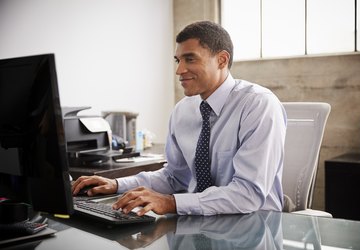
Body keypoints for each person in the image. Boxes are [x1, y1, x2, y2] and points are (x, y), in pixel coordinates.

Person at [72, 20, 287, 216]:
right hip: (198, 223)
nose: (179, 70)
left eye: (190, 59)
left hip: (253, 225)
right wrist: (117, 184)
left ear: (222, 60)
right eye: (178, 60)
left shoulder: (258, 105)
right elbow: (174, 177)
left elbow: (248, 194)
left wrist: (172, 202)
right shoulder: (182, 111)